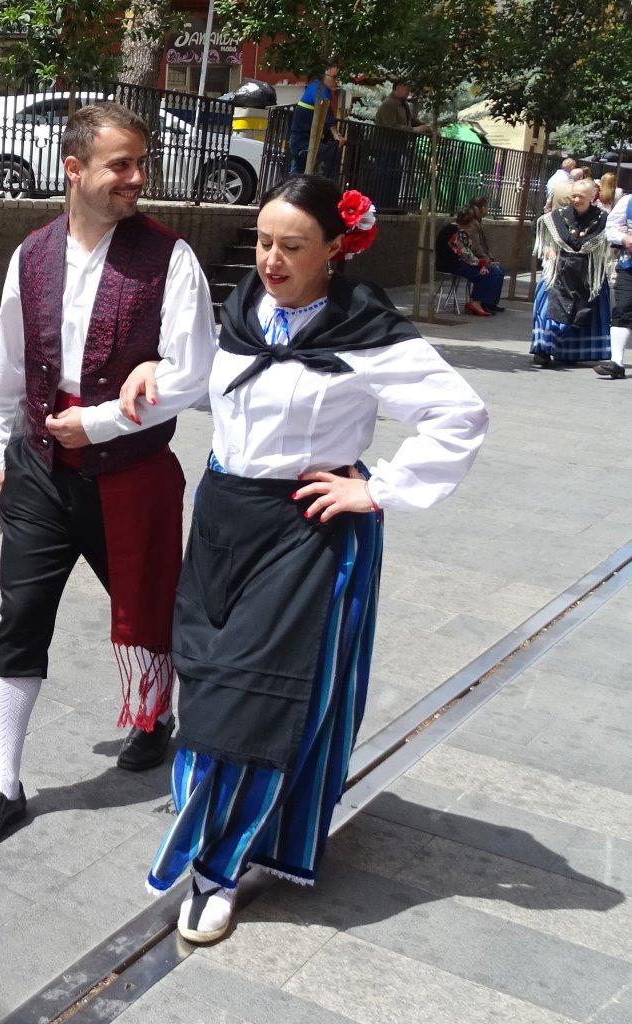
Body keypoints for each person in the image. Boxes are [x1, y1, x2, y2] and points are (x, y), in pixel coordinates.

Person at [121, 175, 487, 942]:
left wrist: (377, 488)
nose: (270, 260)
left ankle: (213, 870)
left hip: (305, 532)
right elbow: (223, 392)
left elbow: (458, 412)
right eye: (263, 242)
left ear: (334, 248)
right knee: (207, 684)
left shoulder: (364, 328)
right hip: (223, 523)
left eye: (291, 246)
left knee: (256, 702)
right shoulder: (244, 311)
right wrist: (158, 371)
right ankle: (227, 831)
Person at [0, 102, 218, 851]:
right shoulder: (31, 254)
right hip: (41, 468)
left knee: (149, 605)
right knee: (20, 615)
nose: (136, 178)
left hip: (130, 470)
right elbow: (10, 365)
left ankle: (153, 716)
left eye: (141, 164)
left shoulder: (170, 258)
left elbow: (192, 373)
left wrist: (100, 423)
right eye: (119, 165)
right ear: (74, 169)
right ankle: (4, 782)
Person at [531, 179, 613, 369]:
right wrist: (548, 248)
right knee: (545, 307)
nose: (576, 200)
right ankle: (542, 349)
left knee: (585, 313)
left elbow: (611, 240)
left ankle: (569, 352)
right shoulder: (558, 216)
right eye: (573, 196)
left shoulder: (603, 219)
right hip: (559, 271)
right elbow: (540, 227)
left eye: (581, 197)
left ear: (593, 196)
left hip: (588, 274)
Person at [434, 207, 505, 315]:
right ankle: (476, 302)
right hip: (453, 265)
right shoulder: (459, 232)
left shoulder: (450, 228)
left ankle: (486, 303)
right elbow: (466, 255)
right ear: (470, 222)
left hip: (449, 263)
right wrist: (483, 264)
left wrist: (483, 263)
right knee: (489, 273)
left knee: (496, 270)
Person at [370, 80, 429, 211]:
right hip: (385, 147)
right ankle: (381, 206)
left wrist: (426, 128)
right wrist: (413, 130)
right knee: (384, 177)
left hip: (396, 148)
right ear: (397, 88)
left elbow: (411, 120)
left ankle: (391, 206)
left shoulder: (403, 104)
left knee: (394, 177)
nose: (408, 91)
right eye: (406, 88)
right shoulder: (388, 104)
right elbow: (390, 126)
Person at [597, 189, 631, 379]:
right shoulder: (628, 201)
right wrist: (624, 238)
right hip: (629, 266)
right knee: (622, 309)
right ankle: (616, 363)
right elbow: (610, 229)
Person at [288, 66, 346, 177]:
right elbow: (326, 111)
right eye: (334, 77)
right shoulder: (319, 90)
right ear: (324, 76)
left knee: (298, 174)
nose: (337, 81)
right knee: (329, 153)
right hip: (303, 141)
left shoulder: (317, 87)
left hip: (302, 140)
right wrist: (336, 135)